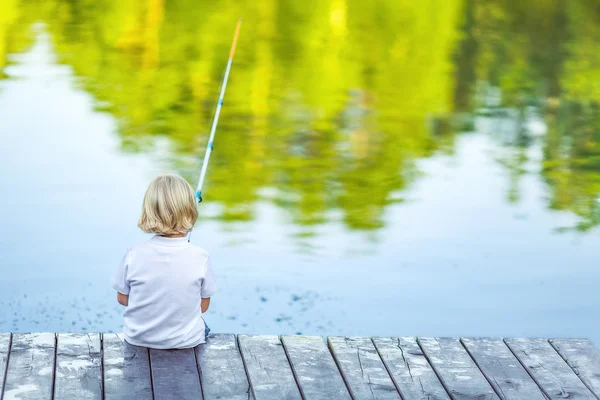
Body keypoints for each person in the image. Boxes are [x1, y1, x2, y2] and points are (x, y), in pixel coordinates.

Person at [111, 173, 215, 349]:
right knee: (203, 326)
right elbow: (203, 306)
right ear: (190, 210)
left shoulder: (133, 254)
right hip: (186, 342)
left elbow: (122, 299)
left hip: (138, 339)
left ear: (148, 212)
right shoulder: (200, 257)